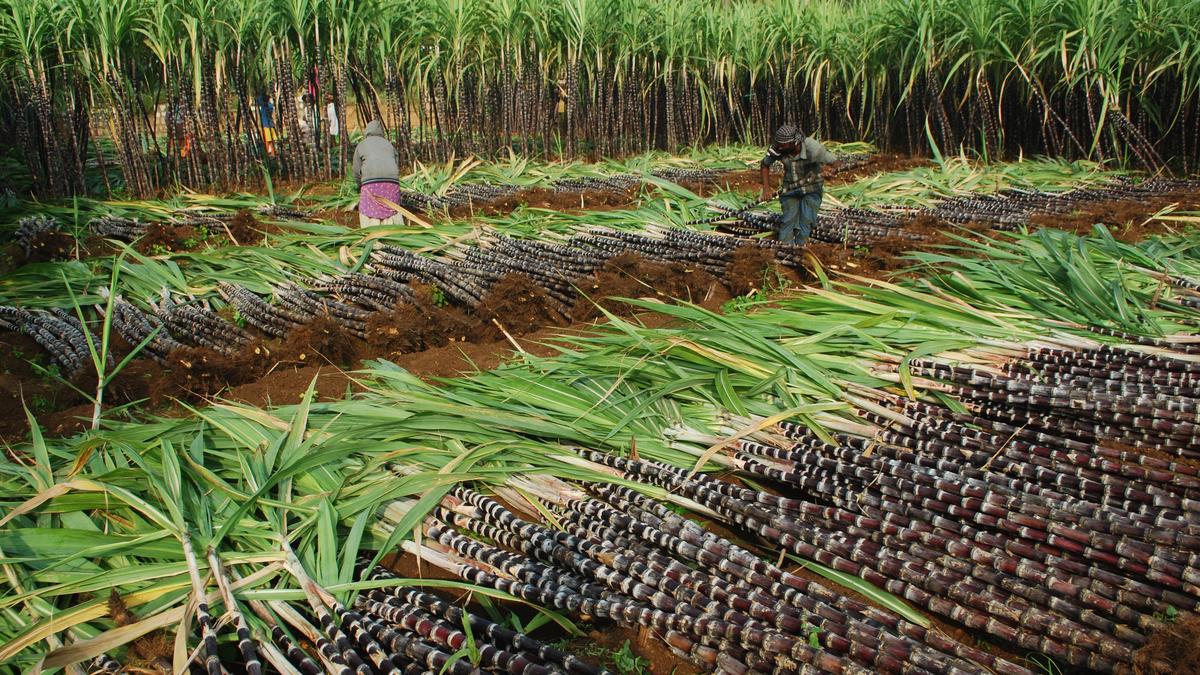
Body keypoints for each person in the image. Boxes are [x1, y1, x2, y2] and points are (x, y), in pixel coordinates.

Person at [759, 124, 836, 245]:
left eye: (782, 145)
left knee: (806, 220)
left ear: (794, 143)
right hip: (789, 190)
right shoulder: (777, 147)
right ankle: (785, 250)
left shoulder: (813, 148)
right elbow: (764, 165)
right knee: (788, 220)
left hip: (812, 189)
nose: (779, 147)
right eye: (778, 143)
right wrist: (766, 189)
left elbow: (836, 162)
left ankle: (800, 249)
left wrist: (830, 171)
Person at [353, 120, 404, 227]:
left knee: (368, 206)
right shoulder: (389, 145)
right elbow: (396, 165)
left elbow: (356, 171)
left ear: (367, 131)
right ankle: (394, 231)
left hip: (371, 184)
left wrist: (359, 186)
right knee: (391, 207)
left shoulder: (362, 145)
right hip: (392, 184)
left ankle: (371, 232)